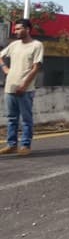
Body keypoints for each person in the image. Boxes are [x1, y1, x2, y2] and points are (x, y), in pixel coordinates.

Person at [0, 18, 44, 156]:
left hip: (26, 90)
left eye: (18, 29)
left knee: (26, 119)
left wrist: (24, 85)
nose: (16, 31)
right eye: (15, 29)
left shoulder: (37, 45)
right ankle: (11, 145)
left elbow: (36, 67)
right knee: (12, 118)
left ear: (27, 29)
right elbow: (0, 56)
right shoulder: (14, 45)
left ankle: (25, 145)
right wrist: (5, 68)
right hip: (10, 88)